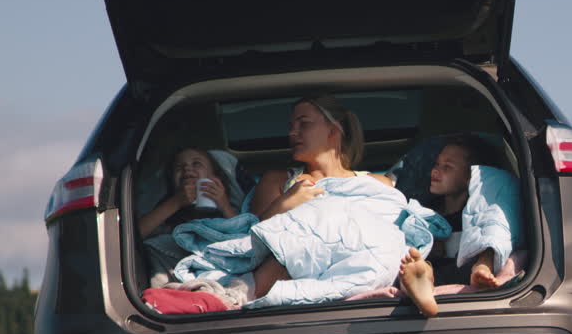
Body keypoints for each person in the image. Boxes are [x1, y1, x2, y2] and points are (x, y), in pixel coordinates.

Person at [241, 94, 393, 299]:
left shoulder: (376, 184)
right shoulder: (278, 181)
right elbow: (248, 247)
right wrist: (283, 205)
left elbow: (392, 241)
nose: (293, 133)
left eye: (304, 124)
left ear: (334, 129)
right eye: (291, 126)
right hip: (289, 286)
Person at [398, 134, 506, 317]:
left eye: (447, 167)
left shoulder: (474, 216)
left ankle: (481, 267)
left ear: (469, 177)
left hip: (462, 271)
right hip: (433, 271)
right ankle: (422, 281)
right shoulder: (426, 212)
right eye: (436, 164)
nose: (435, 171)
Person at [138, 146, 237, 238]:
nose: (187, 169)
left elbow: (243, 236)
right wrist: (175, 202)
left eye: (196, 163)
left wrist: (225, 206)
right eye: (179, 167)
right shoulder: (167, 210)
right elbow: (135, 234)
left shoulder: (228, 204)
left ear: (215, 176)